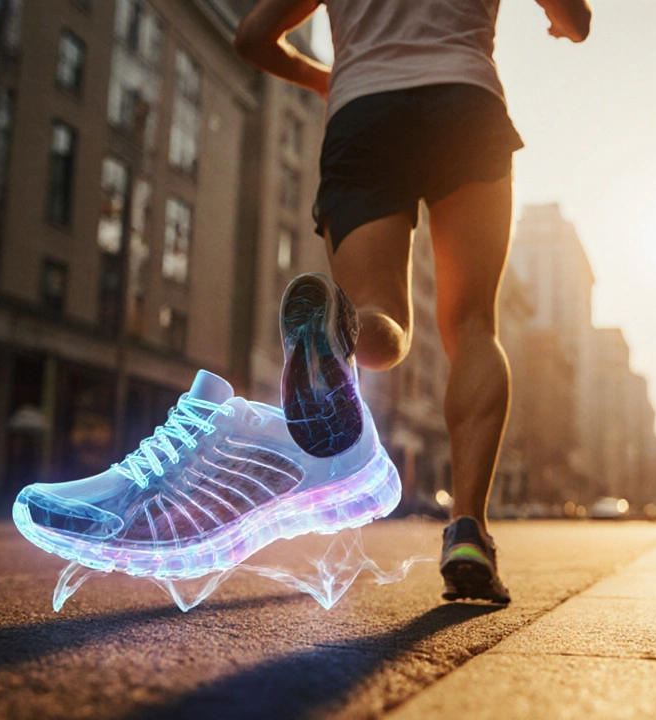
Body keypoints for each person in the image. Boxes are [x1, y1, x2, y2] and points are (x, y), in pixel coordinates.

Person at [235, 0, 592, 603]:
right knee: (473, 322)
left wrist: (328, 77)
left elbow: (252, 37)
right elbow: (577, 19)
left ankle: (342, 327)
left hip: (363, 111)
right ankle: (469, 531)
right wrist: (561, 21)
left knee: (379, 324)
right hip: (465, 103)